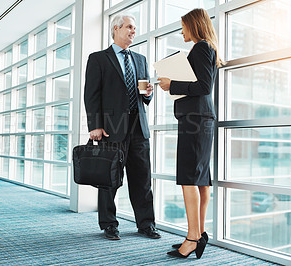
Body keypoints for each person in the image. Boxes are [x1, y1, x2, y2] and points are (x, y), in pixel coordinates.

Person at [84, 14, 161, 241]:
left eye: (135, 28)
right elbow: (92, 95)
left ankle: (146, 224)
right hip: (111, 129)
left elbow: (143, 96)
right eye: (129, 27)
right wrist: (95, 125)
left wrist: (149, 94)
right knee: (109, 180)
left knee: (142, 179)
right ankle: (109, 224)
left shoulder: (140, 59)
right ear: (116, 28)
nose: (133, 31)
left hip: (139, 129)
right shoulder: (98, 58)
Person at [157, 8, 222, 259]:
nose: (181, 31)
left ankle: (193, 238)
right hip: (201, 119)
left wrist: (171, 84)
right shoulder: (207, 48)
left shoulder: (201, 48)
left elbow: (204, 86)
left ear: (194, 25)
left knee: (188, 178)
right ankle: (199, 233)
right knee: (201, 179)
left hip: (195, 120)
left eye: (183, 26)